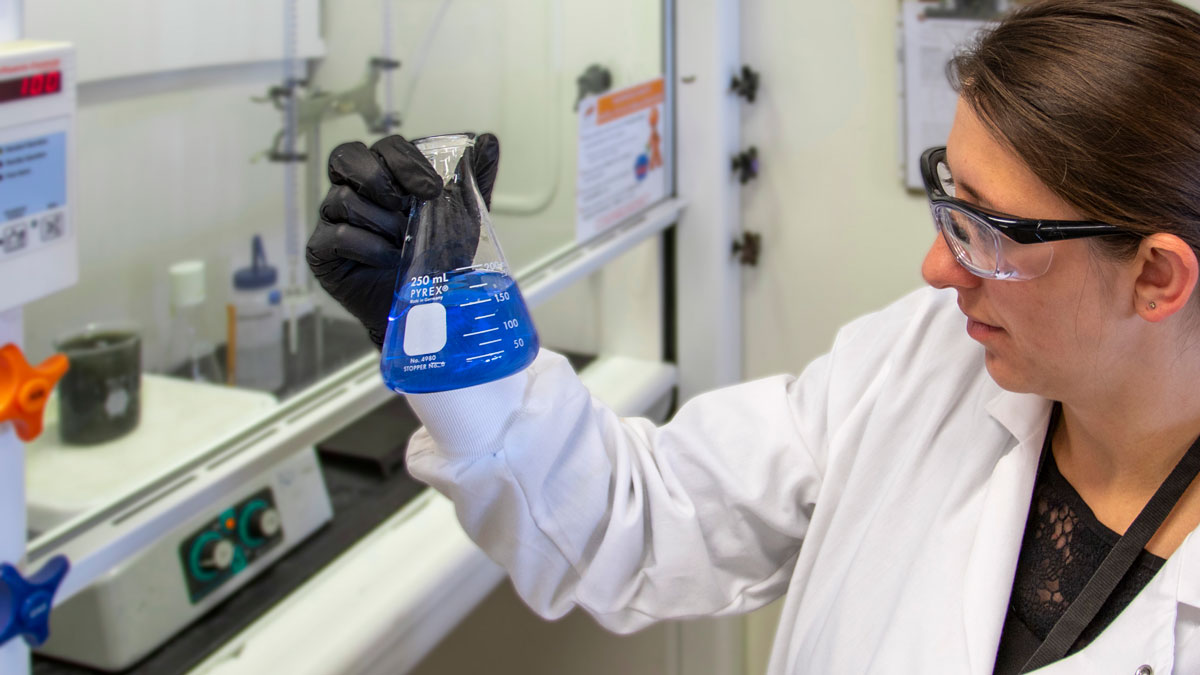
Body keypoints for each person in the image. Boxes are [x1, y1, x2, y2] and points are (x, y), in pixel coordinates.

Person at [306, 1, 1200, 671]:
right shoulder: (930, 359)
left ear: (1158, 275)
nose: (937, 267)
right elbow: (643, 516)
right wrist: (435, 321)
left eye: (991, 232)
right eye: (948, 198)